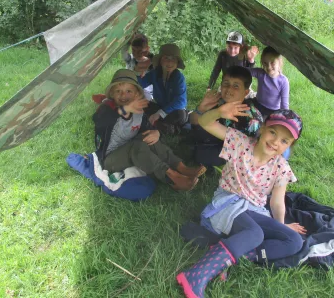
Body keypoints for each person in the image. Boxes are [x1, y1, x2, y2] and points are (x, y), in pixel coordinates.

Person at [176, 105, 305, 298]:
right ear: (262, 129)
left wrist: (281, 228)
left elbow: (277, 203)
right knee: (255, 234)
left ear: (289, 146)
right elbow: (204, 122)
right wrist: (219, 113)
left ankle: (225, 251)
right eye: (272, 132)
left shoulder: (281, 167)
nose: (275, 142)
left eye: (284, 140)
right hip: (228, 203)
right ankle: (195, 275)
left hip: (254, 210)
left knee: (293, 241)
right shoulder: (239, 143)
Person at [93, 69, 205, 191]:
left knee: (149, 137)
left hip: (130, 146)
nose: (123, 95)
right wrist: (125, 109)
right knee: (137, 147)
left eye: (128, 91)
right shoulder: (106, 110)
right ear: (112, 95)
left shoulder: (138, 111)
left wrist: (156, 132)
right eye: (118, 91)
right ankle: (172, 177)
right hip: (110, 158)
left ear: (136, 94)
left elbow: (148, 128)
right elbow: (101, 120)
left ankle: (181, 167)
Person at [190, 66, 263, 169]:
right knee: (196, 132)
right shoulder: (219, 101)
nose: (229, 89)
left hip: (237, 150)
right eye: (226, 84)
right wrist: (201, 108)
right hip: (219, 138)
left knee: (200, 154)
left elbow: (250, 152)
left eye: (236, 86)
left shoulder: (251, 119)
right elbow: (194, 122)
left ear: (246, 92)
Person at [138, 43, 188, 135]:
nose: (169, 62)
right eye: (166, 58)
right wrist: (138, 74)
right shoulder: (155, 73)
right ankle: (165, 127)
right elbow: (140, 83)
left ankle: (162, 127)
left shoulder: (178, 77)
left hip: (174, 111)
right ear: (160, 61)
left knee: (180, 115)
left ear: (177, 63)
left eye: (173, 59)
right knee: (144, 104)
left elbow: (181, 101)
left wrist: (160, 113)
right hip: (160, 107)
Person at [247, 46, 289, 117]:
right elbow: (245, 71)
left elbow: (284, 105)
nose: (269, 67)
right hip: (257, 104)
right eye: (265, 63)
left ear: (279, 62)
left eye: (272, 62)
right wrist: (250, 59)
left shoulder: (283, 81)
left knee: (265, 126)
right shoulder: (261, 73)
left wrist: (284, 118)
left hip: (272, 111)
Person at [121, 33, 154, 100]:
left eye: (140, 50)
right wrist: (128, 42)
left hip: (145, 92)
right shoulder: (131, 59)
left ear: (147, 49)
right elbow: (124, 53)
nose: (136, 53)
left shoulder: (151, 61)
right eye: (133, 50)